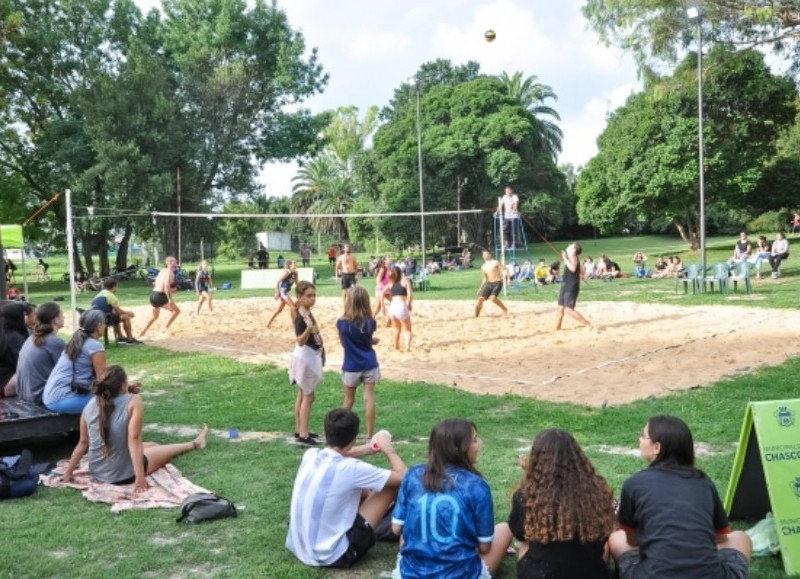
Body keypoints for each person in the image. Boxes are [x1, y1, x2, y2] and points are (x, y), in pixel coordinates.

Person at [609, 415, 752, 578]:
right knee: (740, 537)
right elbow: (720, 537)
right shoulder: (703, 482)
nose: (639, 439)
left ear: (657, 447)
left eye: (643, 435)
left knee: (617, 538)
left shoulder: (633, 483)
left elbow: (632, 541)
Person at [391, 418, 513, 578]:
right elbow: (484, 547)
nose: (480, 443)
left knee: (409, 527)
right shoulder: (477, 485)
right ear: (459, 449)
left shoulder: (413, 474)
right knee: (504, 528)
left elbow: (396, 529)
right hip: (460, 574)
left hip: (410, 574)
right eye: (475, 440)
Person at [286, 408, 407, 568]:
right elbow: (405, 477)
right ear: (354, 438)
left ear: (326, 432)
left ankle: (382, 518)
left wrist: (369, 448)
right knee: (390, 486)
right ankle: (387, 523)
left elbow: (339, 452)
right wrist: (388, 449)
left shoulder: (311, 454)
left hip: (298, 547)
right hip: (332, 555)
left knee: (358, 486)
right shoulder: (352, 469)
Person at [62, 365, 208, 491]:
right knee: (164, 449)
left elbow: (83, 443)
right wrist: (139, 478)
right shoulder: (134, 401)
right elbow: (134, 439)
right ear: (123, 385)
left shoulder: (89, 405)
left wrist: (69, 472)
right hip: (123, 475)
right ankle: (195, 444)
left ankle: (171, 448)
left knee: (154, 445)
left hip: (97, 471)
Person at [508, 428, 616, 578]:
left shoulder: (525, 496)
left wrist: (529, 477)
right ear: (577, 457)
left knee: (526, 543)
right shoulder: (598, 493)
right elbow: (604, 536)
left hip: (542, 573)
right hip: (589, 572)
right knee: (604, 543)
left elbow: (520, 534)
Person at [43, 309, 107, 414]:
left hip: (50, 396)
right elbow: (104, 380)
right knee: (116, 402)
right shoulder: (95, 346)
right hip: (64, 398)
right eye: (105, 324)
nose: (105, 327)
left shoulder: (76, 341)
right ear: (99, 326)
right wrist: (125, 388)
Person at [337, 286, 380, 440]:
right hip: (369, 363)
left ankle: (340, 432)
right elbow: (366, 340)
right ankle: (370, 434)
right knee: (369, 398)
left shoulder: (341, 323)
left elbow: (344, 344)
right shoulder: (370, 322)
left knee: (348, 400)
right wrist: (372, 341)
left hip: (351, 366)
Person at [288, 281, 323, 446]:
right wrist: (308, 328)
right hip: (304, 358)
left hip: (310, 356)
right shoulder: (301, 318)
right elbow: (300, 341)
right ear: (300, 297)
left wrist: (322, 350)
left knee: (303, 395)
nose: (312, 299)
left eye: (314, 295)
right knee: (308, 396)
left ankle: (300, 430)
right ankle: (303, 433)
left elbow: (316, 335)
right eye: (309, 296)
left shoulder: (307, 312)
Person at [15, 303, 66, 404]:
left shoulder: (31, 338)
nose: (64, 317)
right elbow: (68, 371)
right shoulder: (55, 343)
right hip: (39, 396)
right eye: (62, 315)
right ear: (56, 320)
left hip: (24, 394)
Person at [139, 256, 181, 337]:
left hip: (153, 295)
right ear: (170, 263)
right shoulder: (170, 272)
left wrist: (171, 290)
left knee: (154, 317)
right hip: (160, 296)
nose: (176, 263)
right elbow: (166, 285)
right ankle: (166, 327)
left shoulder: (162, 271)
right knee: (176, 311)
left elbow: (154, 283)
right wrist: (170, 298)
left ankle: (143, 331)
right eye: (175, 262)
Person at [555, 242, 592, 331]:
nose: (568, 246)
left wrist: (564, 258)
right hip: (566, 284)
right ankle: (557, 328)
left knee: (568, 309)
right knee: (560, 308)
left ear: (574, 250)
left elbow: (573, 268)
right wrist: (583, 274)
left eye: (570, 246)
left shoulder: (573, 256)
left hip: (571, 286)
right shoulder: (574, 257)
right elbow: (579, 268)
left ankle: (588, 324)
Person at [94, 278, 138, 344]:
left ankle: (120, 337)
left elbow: (114, 311)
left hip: (95, 317)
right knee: (126, 317)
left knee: (115, 317)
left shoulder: (100, 294)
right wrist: (128, 312)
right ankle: (130, 339)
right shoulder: (111, 296)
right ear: (114, 287)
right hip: (104, 319)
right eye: (117, 286)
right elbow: (119, 311)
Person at [0, 302, 30, 397]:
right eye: (24, 315)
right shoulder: (14, 337)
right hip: (6, 384)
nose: (27, 317)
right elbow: (24, 364)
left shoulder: (4, 333)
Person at [475, 250, 508, 317]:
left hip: (497, 283)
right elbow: (485, 279)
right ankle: (476, 316)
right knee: (480, 300)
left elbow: (505, 269)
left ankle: (505, 309)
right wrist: (480, 288)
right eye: (483, 254)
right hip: (489, 283)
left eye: (485, 254)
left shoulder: (495, 262)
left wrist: (508, 278)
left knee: (492, 298)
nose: (484, 256)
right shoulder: (483, 266)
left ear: (490, 255)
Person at [388, 265, 413, 352]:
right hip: (401, 305)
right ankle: (407, 347)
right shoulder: (405, 280)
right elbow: (409, 294)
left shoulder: (391, 282)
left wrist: (383, 305)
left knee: (396, 329)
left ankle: (396, 346)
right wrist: (409, 304)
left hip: (392, 306)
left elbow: (383, 291)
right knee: (407, 329)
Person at [267, 260, 298, 328]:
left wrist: (300, 292)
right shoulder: (287, 272)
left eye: (296, 263)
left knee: (279, 310)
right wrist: (277, 292)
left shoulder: (296, 273)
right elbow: (278, 282)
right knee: (293, 308)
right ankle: (294, 325)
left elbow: (297, 284)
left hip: (286, 292)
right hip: (283, 292)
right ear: (289, 265)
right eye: (294, 263)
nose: (295, 265)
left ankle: (268, 323)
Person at [372, 255, 392, 324]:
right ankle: (370, 320)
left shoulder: (390, 268)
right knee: (377, 308)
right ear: (385, 261)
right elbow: (378, 280)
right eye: (388, 258)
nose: (390, 259)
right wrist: (383, 288)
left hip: (387, 290)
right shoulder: (383, 269)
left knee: (394, 302)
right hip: (380, 289)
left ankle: (389, 319)